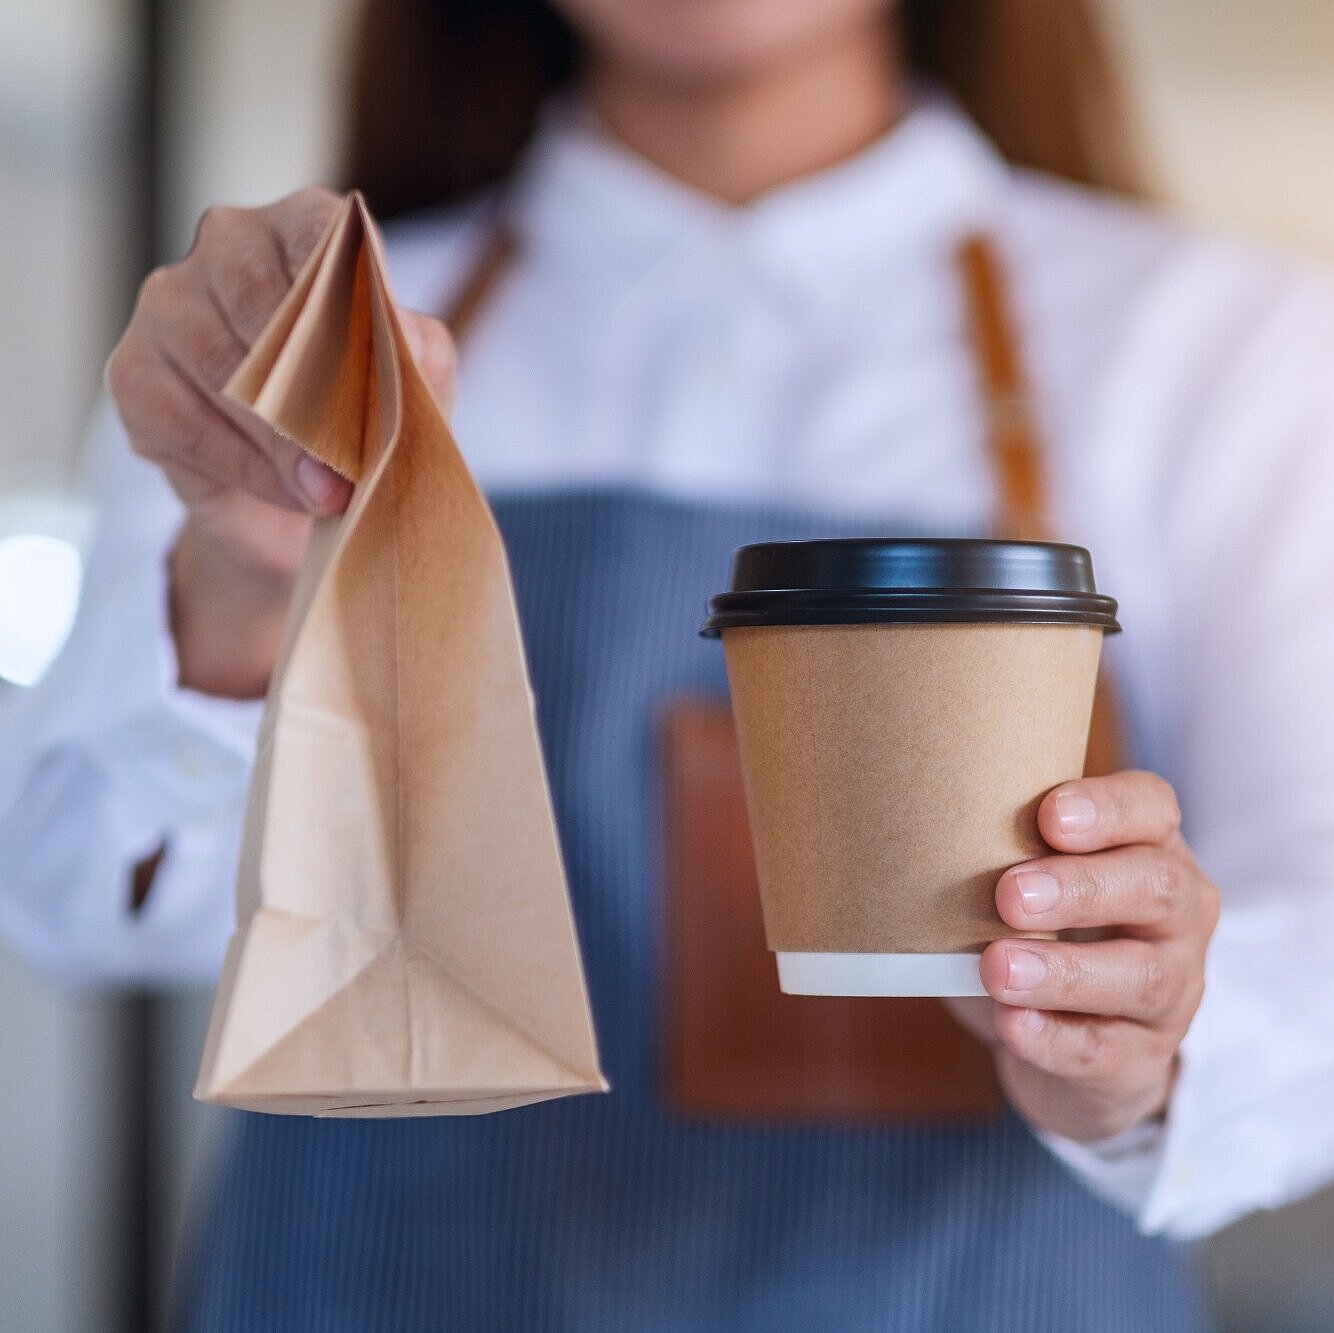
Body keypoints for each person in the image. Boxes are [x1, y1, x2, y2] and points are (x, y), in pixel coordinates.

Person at [3, 0, 1333, 1326]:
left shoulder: (1222, 347)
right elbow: (80, 899)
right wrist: (246, 580)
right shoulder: (284, 356)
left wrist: (1144, 1049)